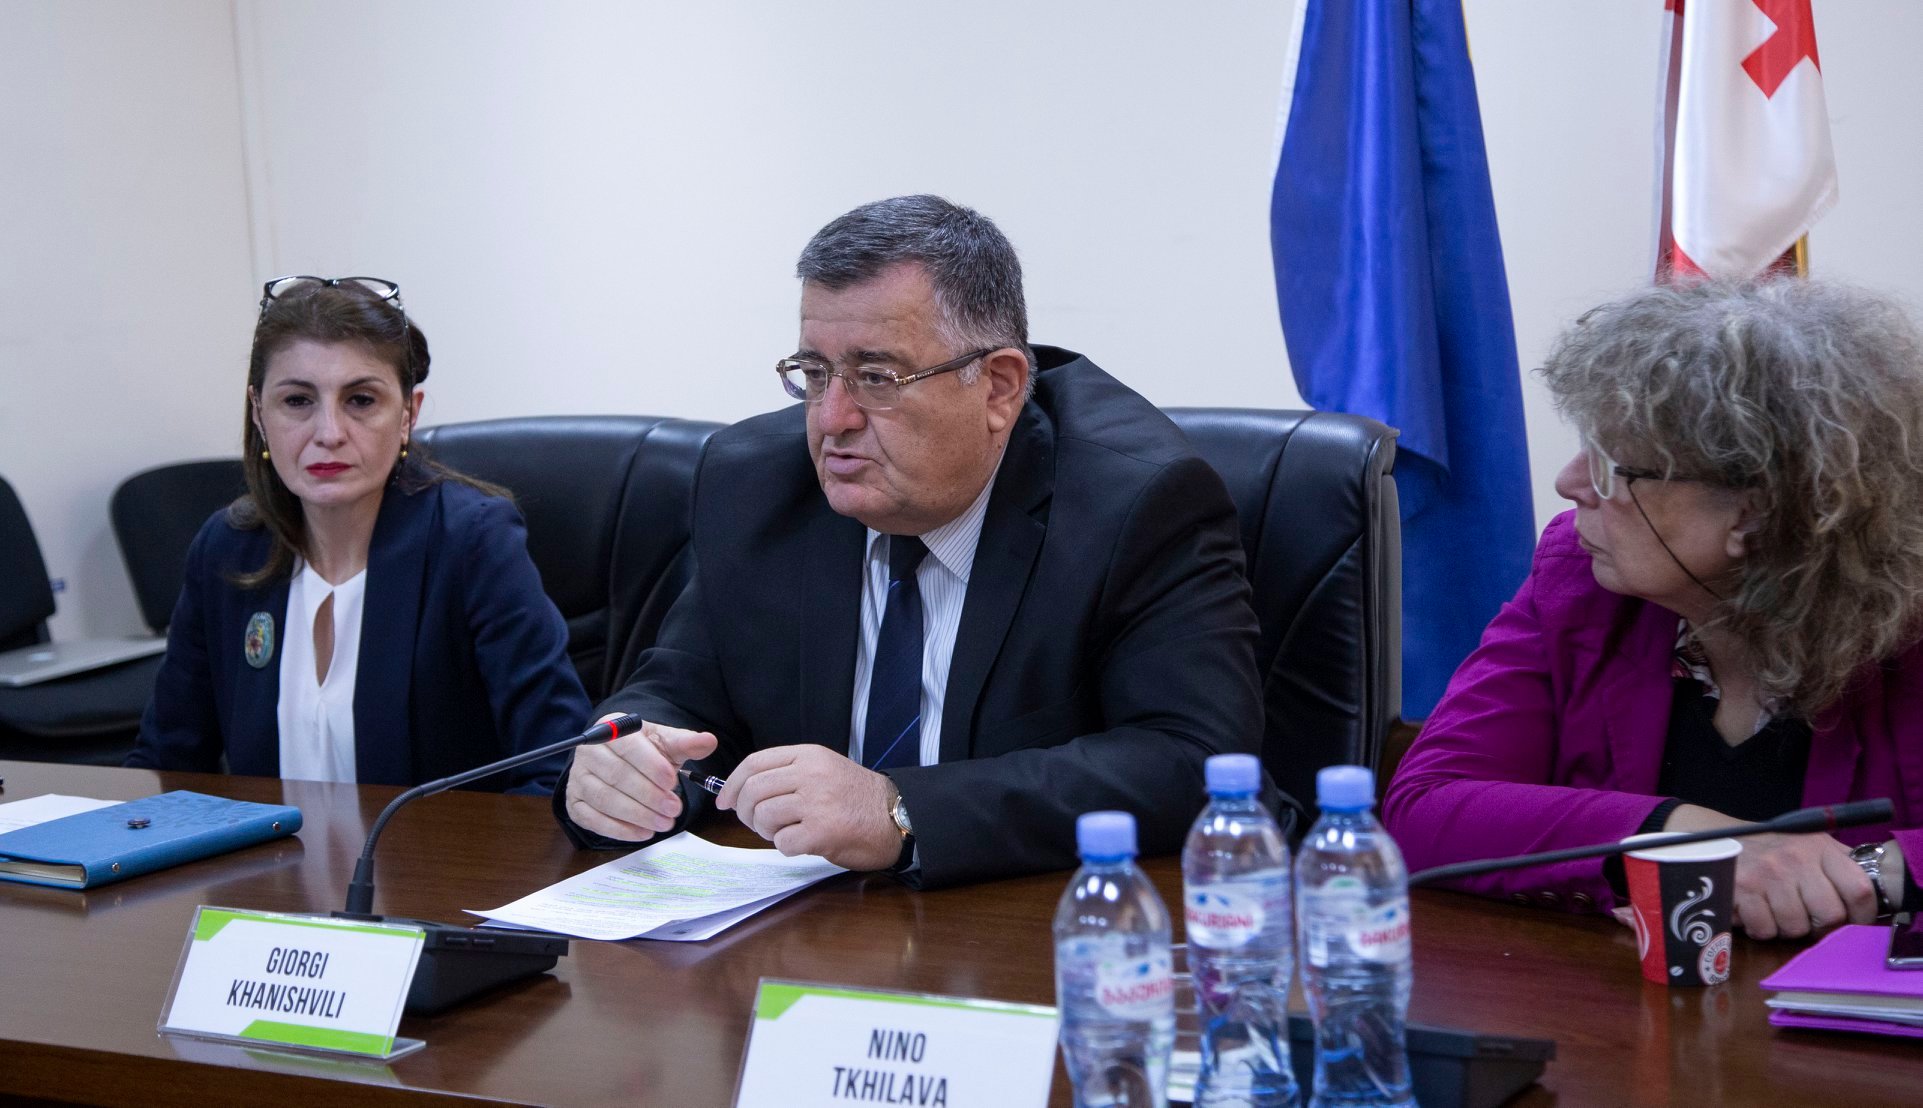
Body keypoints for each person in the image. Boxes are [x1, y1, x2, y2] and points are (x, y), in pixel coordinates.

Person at [557, 195, 1263, 887]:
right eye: (814, 373)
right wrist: (629, 760)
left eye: (876, 377)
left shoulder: (1134, 503)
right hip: (801, 929)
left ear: (999, 388)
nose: (831, 418)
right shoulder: (754, 484)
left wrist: (902, 811)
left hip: (1033, 925)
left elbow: (1192, 759)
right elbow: (681, 691)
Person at [1385, 278, 1923, 939]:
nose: (1568, 483)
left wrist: (1872, 873)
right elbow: (1425, 808)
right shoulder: (1579, 578)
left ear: (1754, 512)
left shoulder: (1908, 621)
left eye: (1614, 467)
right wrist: (1680, 835)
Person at [127, 277, 591, 793]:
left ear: (408, 414)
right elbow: (164, 765)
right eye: (297, 401)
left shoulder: (472, 542)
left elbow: (558, 771)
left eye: (361, 400)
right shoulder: (229, 548)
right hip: (270, 850)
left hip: (441, 849)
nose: (329, 433)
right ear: (259, 413)